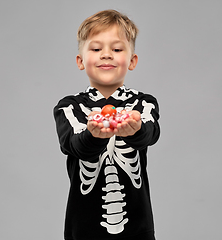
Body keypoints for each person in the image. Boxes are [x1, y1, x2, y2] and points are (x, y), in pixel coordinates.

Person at [53, 9, 160, 240]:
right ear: (81, 61)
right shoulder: (70, 107)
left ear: (132, 61)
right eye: (96, 48)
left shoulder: (143, 104)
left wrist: (136, 130)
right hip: (83, 229)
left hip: (137, 229)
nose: (106, 55)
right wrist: (93, 135)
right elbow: (75, 145)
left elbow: (150, 134)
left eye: (117, 49)